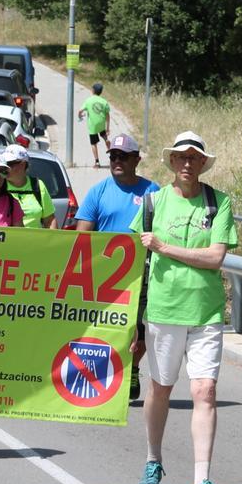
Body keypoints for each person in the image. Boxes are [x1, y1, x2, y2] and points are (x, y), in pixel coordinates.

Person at [130, 131, 236, 484]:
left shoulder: (218, 202)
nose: (188, 163)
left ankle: (201, 481)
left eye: (195, 158)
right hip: (163, 311)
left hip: (206, 314)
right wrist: (131, 323)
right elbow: (130, 262)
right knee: (161, 390)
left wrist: (164, 247)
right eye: (181, 157)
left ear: (203, 164)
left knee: (205, 392)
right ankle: (153, 460)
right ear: (172, 162)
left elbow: (215, 258)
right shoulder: (152, 203)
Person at [76, 133, 159, 400]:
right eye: (113, 156)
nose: (117, 161)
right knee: (108, 328)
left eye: (123, 156)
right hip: (105, 277)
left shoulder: (153, 192)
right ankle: (104, 377)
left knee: (139, 327)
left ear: (136, 159)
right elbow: (82, 235)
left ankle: (133, 368)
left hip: (142, 273)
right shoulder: (98, 191)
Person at [2, 145, 57, 228]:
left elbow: (49, 220)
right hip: (9, 240)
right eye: (4, 164)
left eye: (9, 164)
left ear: (23, 164)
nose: (5, 168)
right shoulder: (0, 186)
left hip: (36, 240)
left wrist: (53, 240)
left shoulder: (38, 185)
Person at [80, 82, 112, 167]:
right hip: (101, 125)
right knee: (104, 136)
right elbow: (108, 115)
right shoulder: (104, 101)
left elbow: (80, 111)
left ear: (93, 91)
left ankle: (97, 162)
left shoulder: (88, 100)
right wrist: (108, 128)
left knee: (93, 144)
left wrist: (80, 116)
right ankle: (111, 152)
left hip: (93, 126)